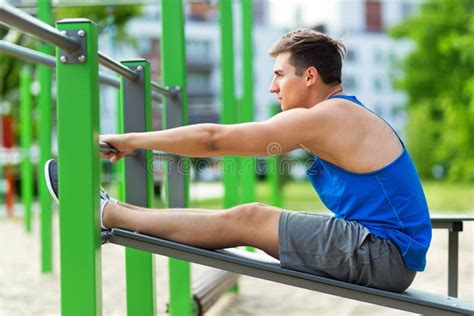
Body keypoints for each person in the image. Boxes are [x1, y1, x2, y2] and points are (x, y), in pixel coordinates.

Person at [45, 29, 431, 293]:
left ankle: (108, 214)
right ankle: (111, 209)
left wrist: (130, 140)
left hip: (384, 255)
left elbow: (214, 141)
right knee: (251, 215)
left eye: (280, 75)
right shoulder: (337, 115)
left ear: (310, 75)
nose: (272, 86)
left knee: (251, 218)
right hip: (383, 250)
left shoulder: (329, 118)